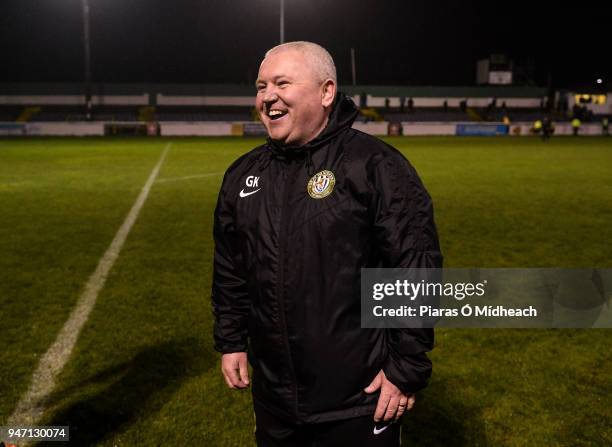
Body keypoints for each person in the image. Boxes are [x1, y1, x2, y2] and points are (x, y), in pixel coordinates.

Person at [211, 41, 441, 447]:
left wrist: (404, 369)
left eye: (282, 83)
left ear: (326, 92)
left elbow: (414, 267)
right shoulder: (242, 175)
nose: (268, 97)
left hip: (358, 399)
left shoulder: (376, 166)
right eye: (261, 86)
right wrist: (231, 340)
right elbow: (231, 266)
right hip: (274, 399)